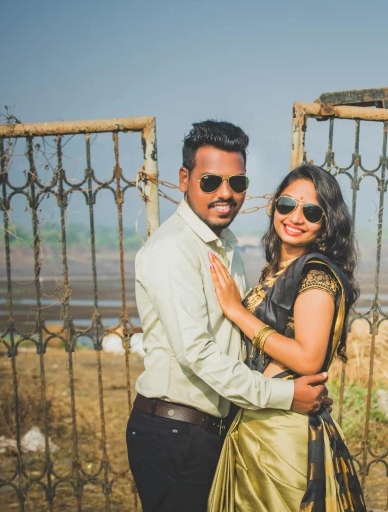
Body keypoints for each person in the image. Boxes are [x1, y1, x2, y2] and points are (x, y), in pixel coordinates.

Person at [126, 121, 331, 512]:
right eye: (211, 182)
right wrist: (286, 396)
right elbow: (198, 354)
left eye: (237, 183)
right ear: (185, 179)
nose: (226, 194)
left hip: (208, 430)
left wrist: (291, 384)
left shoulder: (224, 248)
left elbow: (236, 343)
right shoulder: (173, 251)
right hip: (176, 433)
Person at [207, 165, 366, 511]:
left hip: (282, 432)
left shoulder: (316, 275)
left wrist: (238, 312)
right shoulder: (279, 268)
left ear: (327, 222)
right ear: (274, 206)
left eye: (311, 211)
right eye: (287, 204)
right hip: (262, 420)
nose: (296, 217)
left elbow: (308, 358)